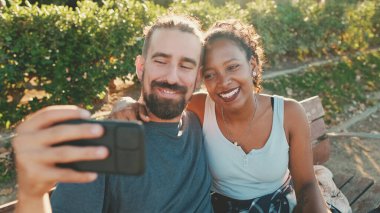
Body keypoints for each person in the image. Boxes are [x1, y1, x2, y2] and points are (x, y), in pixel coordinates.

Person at [113, 20, 330, 213]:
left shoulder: (289, 113)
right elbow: (163, 98)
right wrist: (125, 103)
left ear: (252, 65)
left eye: (233, 67)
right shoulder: (199, 106)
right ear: (201, 78)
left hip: (280, 205)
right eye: (210, 74)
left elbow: (307, 185)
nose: (223, 81)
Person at [12, 15, 213, 213]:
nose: (171, 77)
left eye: (185, 66)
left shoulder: (201, 121)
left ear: (197, 78)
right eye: (161, 61)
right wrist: (31, 195)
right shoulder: (99, 145)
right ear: (141, 67)